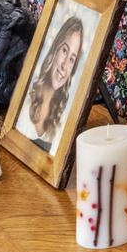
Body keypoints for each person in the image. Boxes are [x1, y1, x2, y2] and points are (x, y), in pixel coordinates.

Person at [20, 13, 86, 152]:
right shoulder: (25, 101)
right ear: (54, 50)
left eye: (72, 59)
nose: (65, 66)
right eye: (64, 50)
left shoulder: (61, 120)